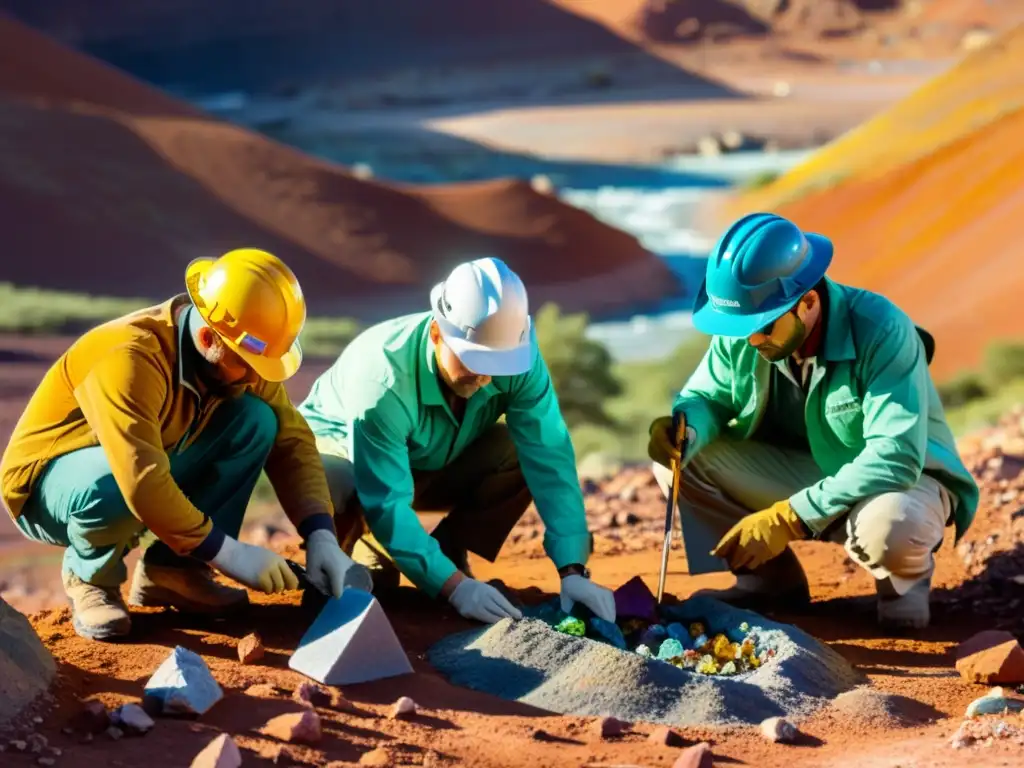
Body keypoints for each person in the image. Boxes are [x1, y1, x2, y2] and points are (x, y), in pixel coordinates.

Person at [1, 249, 367, 641]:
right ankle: (91, 578)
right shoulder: (130, 356)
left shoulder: (242, 352)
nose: (255, 377)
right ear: (209, 337)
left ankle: (175, 571)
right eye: (246, 364)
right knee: (110, 481)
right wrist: (227, 552)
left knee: (259, 420)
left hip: (148, 461)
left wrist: (320, 533)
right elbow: (139, 479)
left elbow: (291, 440)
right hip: (53, 486)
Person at [646, 212, 979, 630]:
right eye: (742, 328)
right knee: (676, 462)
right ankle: (768, 582)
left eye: (763, 328)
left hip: (902, 483)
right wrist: (686, 427)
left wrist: (791, 515)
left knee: (893, 526)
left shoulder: (882, 329)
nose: (751, 340)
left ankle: (900, 592)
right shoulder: (748, 327)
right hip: (807, 471)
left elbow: (895, 457)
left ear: (807, 303)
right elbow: (707, 397)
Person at [298, 256, 616, 625]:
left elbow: (550, 454)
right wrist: (455, 588)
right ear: (437, 333)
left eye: (497, 365)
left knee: (519, 448)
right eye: (473, 361)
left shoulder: (518, 358)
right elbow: (385, 500)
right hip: (350, 461)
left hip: (429, 458)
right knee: (369, 571)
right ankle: (332, 567)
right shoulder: (382, 382)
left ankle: (446, 550)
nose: (484, 377)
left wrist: (572, 570)